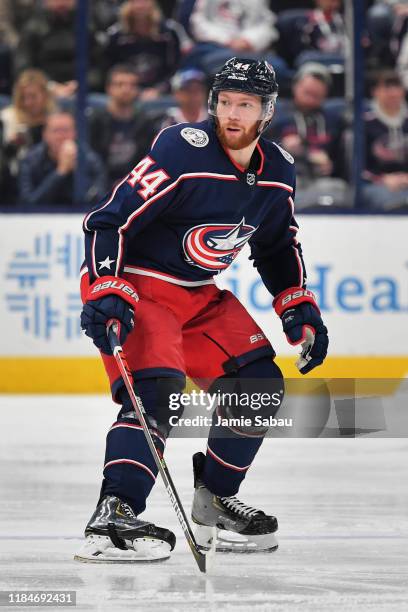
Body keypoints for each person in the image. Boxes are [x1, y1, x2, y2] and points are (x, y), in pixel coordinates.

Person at [76, 57, 329, 563]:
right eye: (225, 102)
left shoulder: (279, 171)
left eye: (246, 105)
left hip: (195, 294)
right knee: (157, 390)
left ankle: (215, 498)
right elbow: (109, 221)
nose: (232, 115)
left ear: (267, 111)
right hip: (137, 285)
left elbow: (277, 246)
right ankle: (114, 513)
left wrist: (298, 307)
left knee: (259, 385)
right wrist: (105, 285)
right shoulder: (181, 148)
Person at [266, 62, 347, 209]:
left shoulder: (333, 120)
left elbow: (341, 157)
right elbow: (254, 147)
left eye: (316, 95)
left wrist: (331, 165)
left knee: (339, 190)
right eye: (307, 93)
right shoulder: (275, 113)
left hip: (321, 181)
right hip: (284, 177)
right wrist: (280, 145)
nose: (310, 100)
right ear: (296, 86)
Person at [15, 0, 104, 98]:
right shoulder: (32, 29)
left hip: (82, 92)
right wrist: (49, 86)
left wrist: (80, 84)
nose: (61, 2)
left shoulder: (88, 26)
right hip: (42, 92)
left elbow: (99, 67)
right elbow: (23, 68)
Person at [105, 0, 190, 100]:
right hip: (126, 92)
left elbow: (180, 67)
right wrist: (132, 89)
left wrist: (159, 90)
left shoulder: (170, 32)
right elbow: (111, 68)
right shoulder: (116, 35)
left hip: (165, 93)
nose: (140, 5)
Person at [18, 110, 106, 207]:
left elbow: (98, 200)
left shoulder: (90, 159)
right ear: (45, 135)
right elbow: (28, 203)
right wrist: (60, 172)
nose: (61, 137)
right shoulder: (30, 160)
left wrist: (77, 171)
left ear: (75, 133)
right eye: (56, 131)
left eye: (66, 130)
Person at [88, 64, 157, 185]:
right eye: (119, 84)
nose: (126, 89)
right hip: (99, 186)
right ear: (108, 88)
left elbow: (149, 161)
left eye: (132, 85)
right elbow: (90, 161)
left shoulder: (145, 123)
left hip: (135, 185)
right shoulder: (94, 122)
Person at [0, 69, 56, 195]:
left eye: (33, 96)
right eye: (23, 97)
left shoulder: (56, 118)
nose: (27, 102)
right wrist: (10, 147)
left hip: (51, 175)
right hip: (14, 181)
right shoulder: (7, 118)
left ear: (45, 95)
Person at [362, 70, 408, 211]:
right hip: (375, 183)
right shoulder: (364, 122)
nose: (393, 93)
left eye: (397, 87)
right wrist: (382, 179)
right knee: (391, 202)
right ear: (375, 91)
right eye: (387, 87)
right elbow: (355, 166)